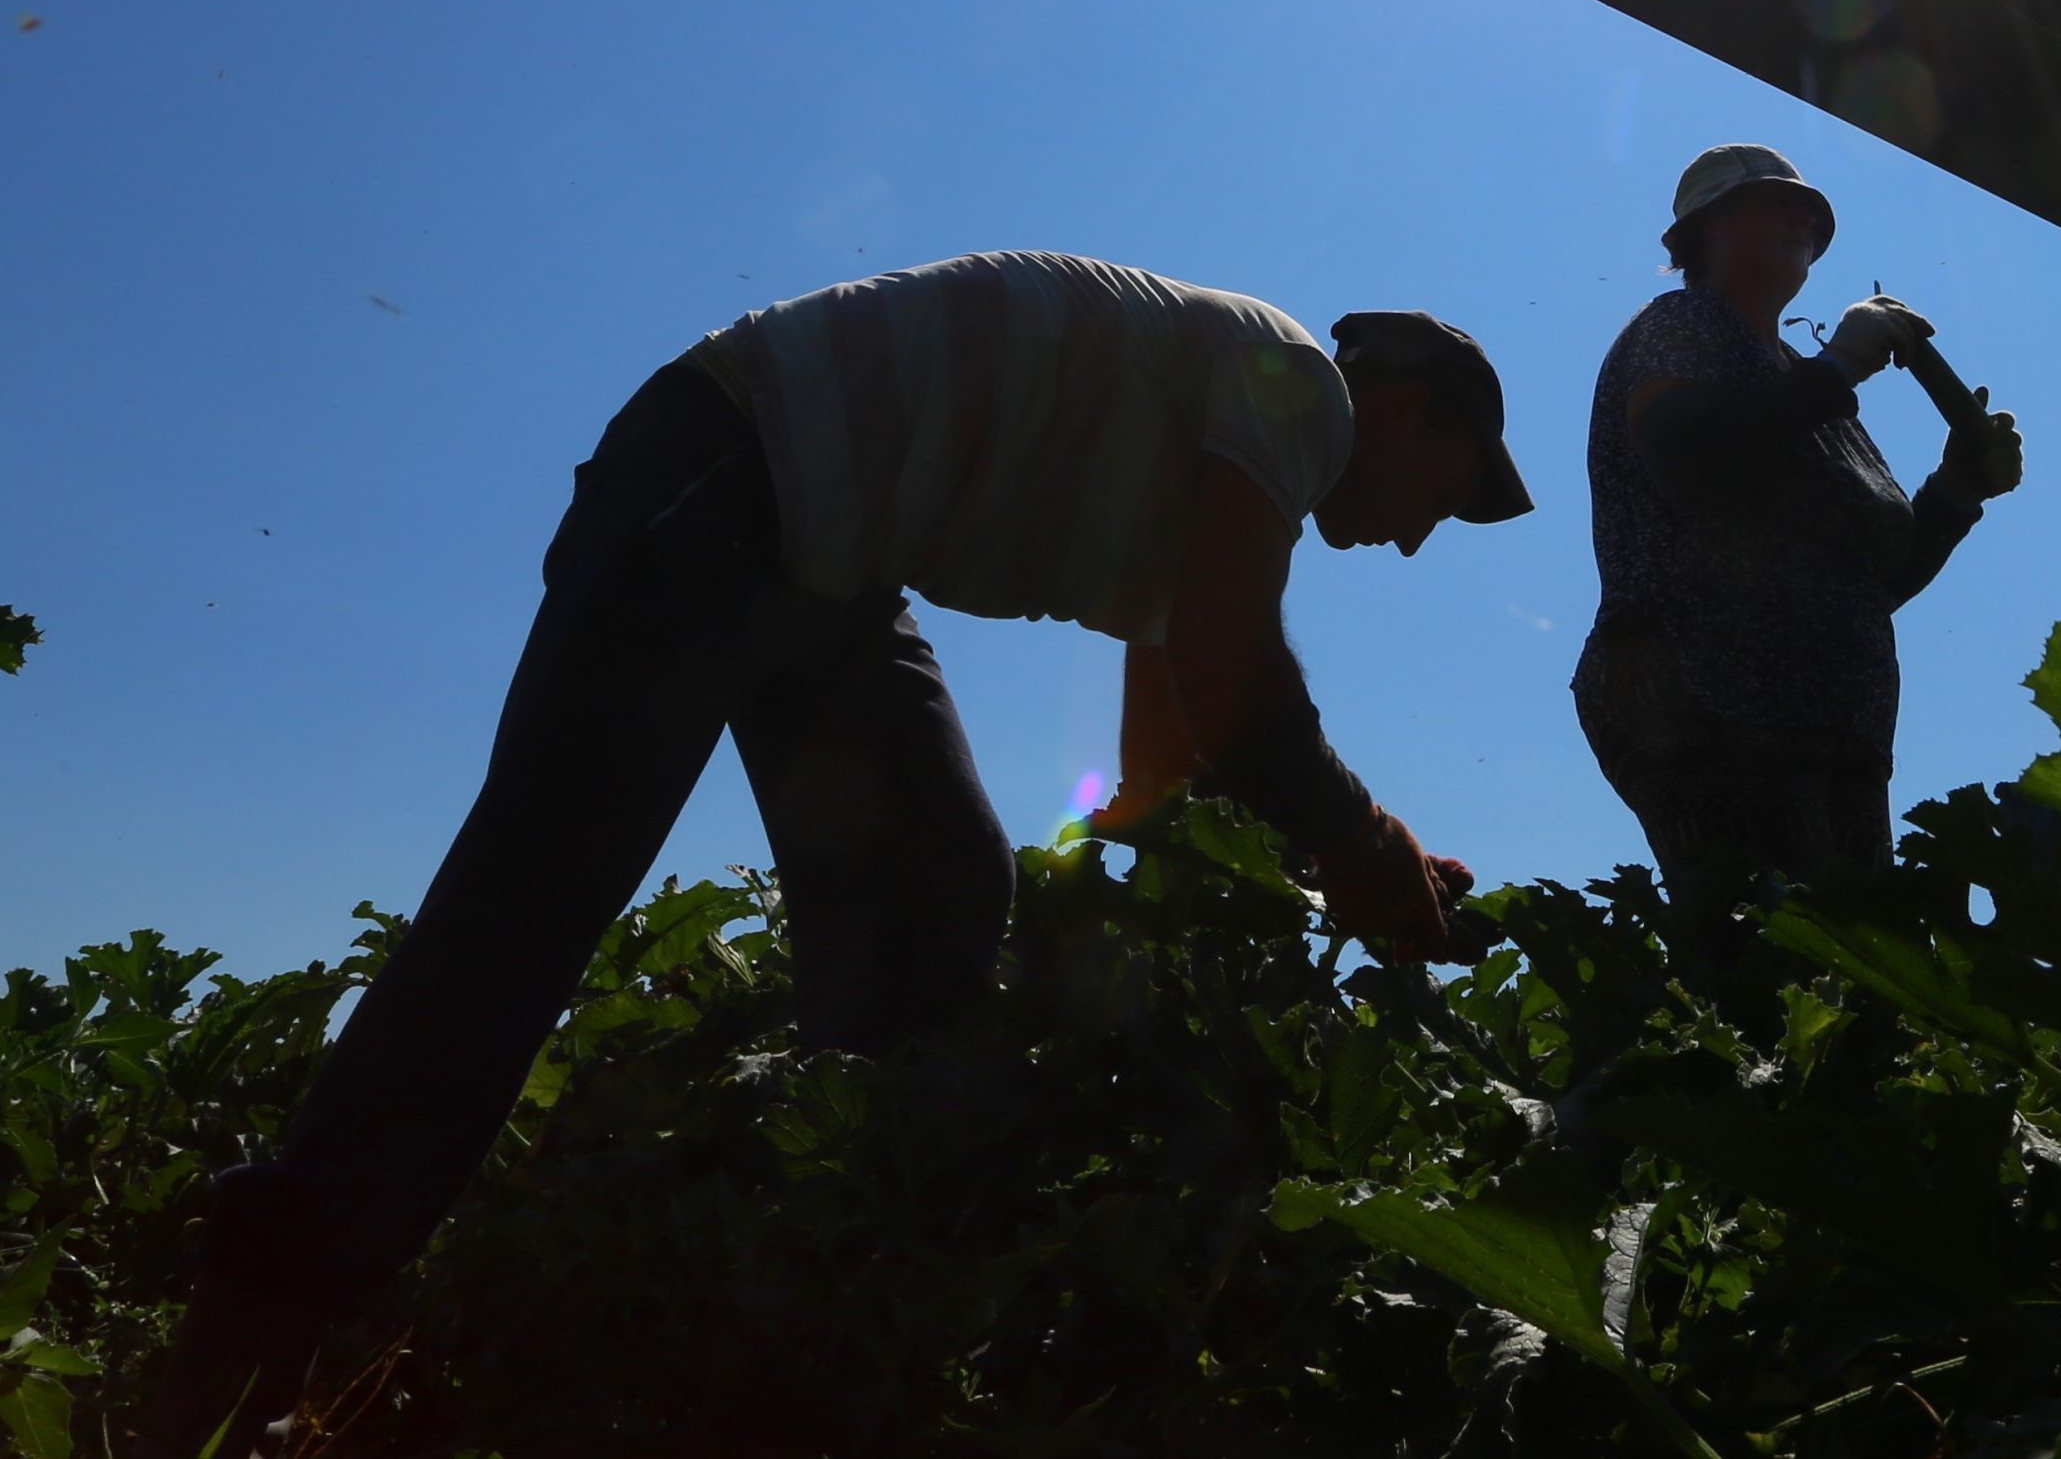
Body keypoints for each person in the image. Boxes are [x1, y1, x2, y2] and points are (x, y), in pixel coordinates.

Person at [137, 253, 1528, 1456]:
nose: (1414, 539)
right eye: (1444, 495)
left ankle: (833, 1292)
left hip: (814, 554)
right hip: (723, 467)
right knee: (527, 902)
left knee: (940, 890)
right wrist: (1360, 841)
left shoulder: (1218, 490)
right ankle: (242, 1351)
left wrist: (1303, 873)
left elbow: (1169, 781)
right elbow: (1237, 678)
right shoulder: (1302, 388)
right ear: (1403, 407)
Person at [1576, 146, 2022, 902]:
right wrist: (1843, 360)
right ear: (1706, 227)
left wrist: (1955, 490)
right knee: (1773, 973)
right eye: (1775, 201)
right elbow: (1691, 460)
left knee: (1846, 983)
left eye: (1811, 210)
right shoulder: (1683, 324)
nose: (1804, 216)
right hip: (1710, 706)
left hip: (1830, 728)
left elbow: (1863, 586)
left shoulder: (1798, 381)